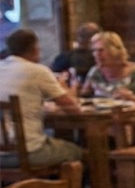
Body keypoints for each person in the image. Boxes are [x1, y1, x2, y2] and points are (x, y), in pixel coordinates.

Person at [0, 29, 83, 168]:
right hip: (28, 152)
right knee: (77, 151)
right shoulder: (37, 71)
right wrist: (65, 87)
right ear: (35, 49)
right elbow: (72, 108)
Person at [80, 30, 135, 104]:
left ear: (115, 51)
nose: (96, 54)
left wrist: (132, 98)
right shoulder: (95, 71)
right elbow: (83, 97)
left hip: (128, 114)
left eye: (101, 50)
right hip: (100, 114)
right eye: (94, 50)